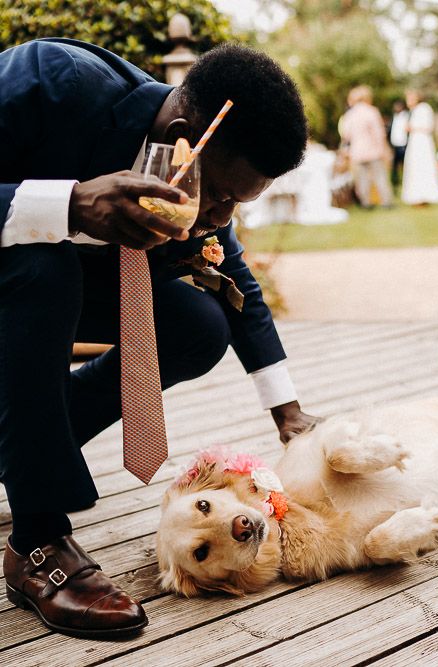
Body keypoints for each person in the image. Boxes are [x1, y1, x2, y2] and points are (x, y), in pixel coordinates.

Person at [0, 38, 318, 638]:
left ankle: (19, 444)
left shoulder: (194, 176)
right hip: (23, 276)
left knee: (199, 324)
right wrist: (68, 203)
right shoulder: (51, 80)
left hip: (56, 294)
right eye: (221, 194)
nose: (221, 214)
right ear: (180, 135)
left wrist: (289, 412)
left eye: (238, 204)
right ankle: (36, 545)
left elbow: (233, 274)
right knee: (46, 266)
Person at [339, 85, 393, 209]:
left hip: (357, 152)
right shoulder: (371, 111)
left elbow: (346, 134)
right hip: (373, 150)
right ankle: (386, 202)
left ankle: (366, 202)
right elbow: (379, 133)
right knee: (380, 176)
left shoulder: (350, 114)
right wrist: (384, 149)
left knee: (362, 178)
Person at [401, 90, 438, 206]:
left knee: (423, 167)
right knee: (415, 168)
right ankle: (417, 197)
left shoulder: (424, 108)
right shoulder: (413, 111)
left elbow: (428, 127)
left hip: (422, 143)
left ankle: (424, 196)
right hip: (415, 142)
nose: (408, 101)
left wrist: (411, 128)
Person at [387, 99, 409, 186]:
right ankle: (395, 182)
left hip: (404, 144)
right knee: (394, 166)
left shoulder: (407, 116)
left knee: (406, 165)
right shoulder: (394, 117)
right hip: (395, 145)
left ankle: (406, 182)